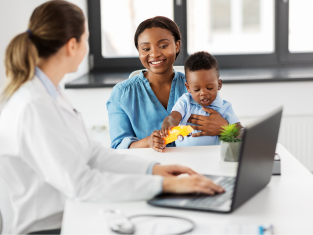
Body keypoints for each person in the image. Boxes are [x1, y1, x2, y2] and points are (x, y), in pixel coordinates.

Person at [0, 2, 224, 234]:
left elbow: (91, 153)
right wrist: (166, 185)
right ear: (72, 45)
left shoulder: (50, 94)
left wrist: (154, 169)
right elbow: (82, 183)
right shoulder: (33, 105)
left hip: (72, 212)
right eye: (87, 39)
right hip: (46, 227)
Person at [107, 16, 229, 152]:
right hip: (148, 169)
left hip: (195, 165)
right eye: (146, 49)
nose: (154, 54)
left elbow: (225, 127)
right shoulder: (122, 94)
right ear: (139, 51)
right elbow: (118, 146)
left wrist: (224, 126)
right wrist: (148, 142)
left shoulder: (197, 87)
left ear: (177, 46)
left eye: (163, 46)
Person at [161, 51, 243, 147]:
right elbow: (174, 117)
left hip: (213, 156)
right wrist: (168, 123)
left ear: (219, 85)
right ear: (188, 88)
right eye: (196, 89)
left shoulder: (224, 107)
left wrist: (225, 128)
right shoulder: (185, 101)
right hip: (183, 155)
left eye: (209, 88)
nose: (203, 93)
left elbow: (241, 133)